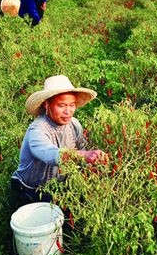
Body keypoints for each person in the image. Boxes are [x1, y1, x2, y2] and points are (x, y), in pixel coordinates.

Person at [11, 75, 106, 205]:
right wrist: (85, 155)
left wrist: (91, 164)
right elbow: (51, 155)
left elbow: (80, 150)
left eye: (72, 105)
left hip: (57, 185)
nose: (68, 111)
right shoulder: (37, 130)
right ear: (46, 104)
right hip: (30, 189)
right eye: (61, 105)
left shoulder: (74, 124)